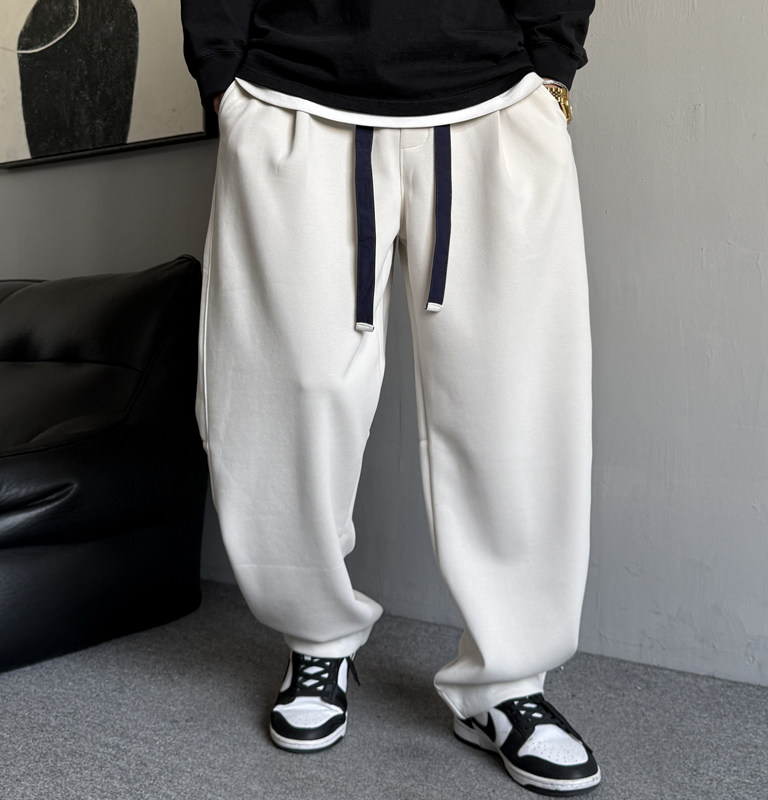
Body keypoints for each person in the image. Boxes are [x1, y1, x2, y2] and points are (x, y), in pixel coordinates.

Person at [181, 1, 599, 794]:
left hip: (494, 97)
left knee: (513, 403)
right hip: (292, 95)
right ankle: (315, 640)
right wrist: (221, 80)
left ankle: (508, 682)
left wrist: (552, 72)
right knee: (286, 397)